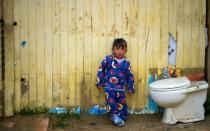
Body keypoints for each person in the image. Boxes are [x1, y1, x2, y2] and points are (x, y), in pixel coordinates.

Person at [96, 38, 135, 127]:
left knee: (122, 104)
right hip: (109, 87)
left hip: (121, 88)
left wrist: (131, 87)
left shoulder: (126, 63)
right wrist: (99, 82)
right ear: (113, 49)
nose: (119, 51)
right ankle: (113, 116)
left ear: (126, 50)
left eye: (122, 49)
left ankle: (121, 117)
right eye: (117, 49)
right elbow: (101, 70)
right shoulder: (108, 60)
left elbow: (130, 75)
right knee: (111, 103)